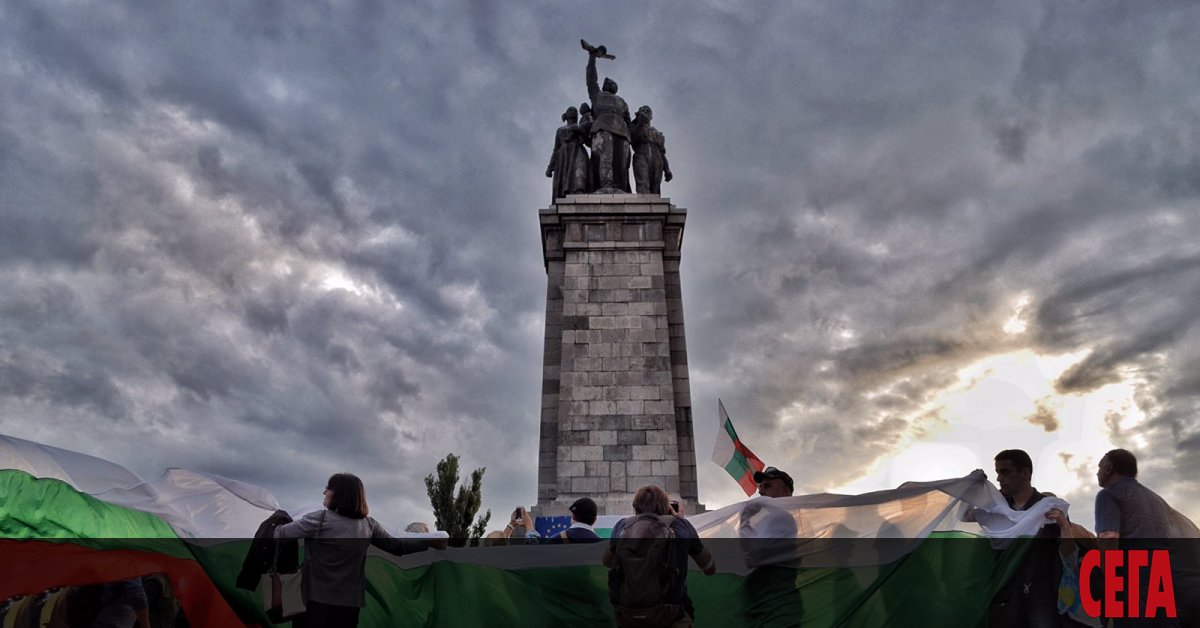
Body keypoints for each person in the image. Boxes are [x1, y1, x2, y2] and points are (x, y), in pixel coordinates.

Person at [274, 473, 446, 628]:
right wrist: (429, 542)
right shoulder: (369, 525)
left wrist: (278, 517)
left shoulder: (320, 519)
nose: (325, 492)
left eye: (328, 488)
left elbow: (280, 534)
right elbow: (399, 547)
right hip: (349, 607)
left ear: (339, 494)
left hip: (313, 604)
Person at [1095, 449, 1197, 627]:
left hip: (1132, 577)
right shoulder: (1156, 499)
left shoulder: (1109, 494)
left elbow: (1108, 537)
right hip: (1163, 576)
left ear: (1109, 468)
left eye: (1100, 466)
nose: (1098, 472)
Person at [604, 485, 716, 628]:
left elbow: (607, 562)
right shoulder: (680, 525)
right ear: (666, 507)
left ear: (635, 507)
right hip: (673, 617)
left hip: (628, 617)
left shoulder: (622, 526)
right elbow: (709, 568)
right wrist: (679, 522)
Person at [986, 449, 1064, 628]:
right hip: (1006, 595)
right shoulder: (998, 509)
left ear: (1025, 473)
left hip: (1041, 595)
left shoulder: (1049, 509)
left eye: (1005, 472)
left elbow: (1068, 555)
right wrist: (975, 488)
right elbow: (966, 515)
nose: (999, 478)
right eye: (997, 473)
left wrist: (1064, 527)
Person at [740, 467, 802, 628]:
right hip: (772, 602)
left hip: (775, 603)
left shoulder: (781, 518)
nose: (761, 492)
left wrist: (745, 519)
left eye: (768, 486)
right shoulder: (770, 520)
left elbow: (753, 557)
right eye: (761, 489)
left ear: (786, 491)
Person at [583, 42, 631, 193]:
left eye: (611, 82)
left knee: (622, 163)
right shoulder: (597, 95)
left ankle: (620, 186)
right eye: (606, 82)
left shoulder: (622, 102)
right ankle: (606, 184)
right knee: (606, 157)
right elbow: (591, 79)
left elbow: (629, 122)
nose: (608, 82)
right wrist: (592, 58)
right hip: (602, 128)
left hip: (622, 132)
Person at [545, 106, 591, 202]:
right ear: (566, 115)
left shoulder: (580, 126)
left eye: (575, 110)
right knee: (564, 176)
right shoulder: (560, 130)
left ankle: (579, 190)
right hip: (563, 155)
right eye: (570, 110)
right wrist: (550, 167)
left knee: (580, 169)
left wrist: (579, 130)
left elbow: (587, 139)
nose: (573, 111)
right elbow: (555, 149)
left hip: (578, 150)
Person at [629, 105, 673, 195]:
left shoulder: (657, 133)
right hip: (641, 154)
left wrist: (667, 169)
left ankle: (656, 206)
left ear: (651, 116)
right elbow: (631, 138)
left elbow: (662, 153)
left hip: (657, 157)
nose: (645, 112)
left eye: (647, 111)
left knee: (656, 185)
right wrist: (639, 123)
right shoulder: (634, 127)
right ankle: (642, 206)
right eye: (642, 110)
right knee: (642, 183)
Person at [525, 497, 602, 544]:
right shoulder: (602, 546)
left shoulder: (556, 540)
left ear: (573, 516)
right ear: (595, 520)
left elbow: (536, 557)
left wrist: (529, 527)